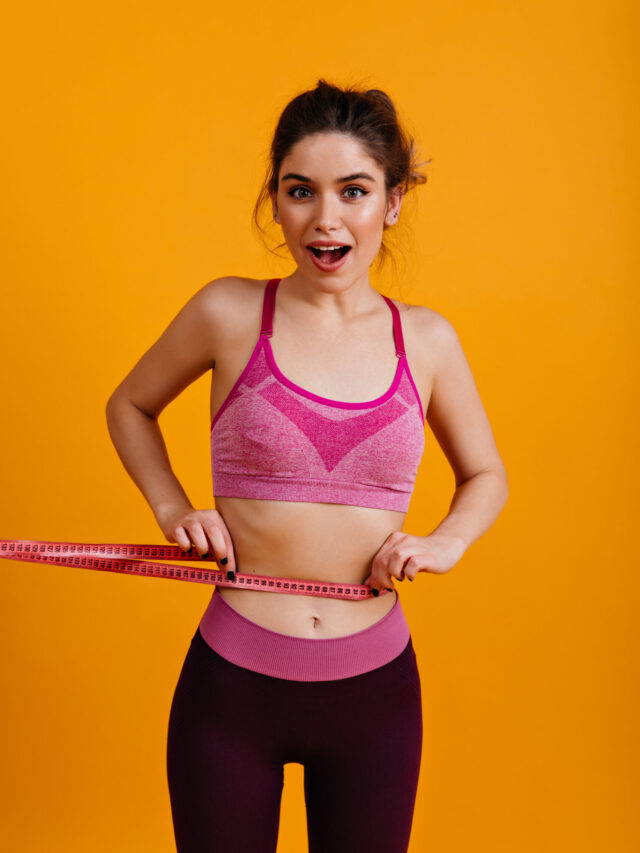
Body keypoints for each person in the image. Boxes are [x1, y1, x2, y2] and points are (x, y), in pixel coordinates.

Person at [105, 78, 509, 853]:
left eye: (353, 190)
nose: (326, 217)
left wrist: (445, 542)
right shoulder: (228, 313)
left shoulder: (425, 341)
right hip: (231, 688)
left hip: (376, 694)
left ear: (391, 203)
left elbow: (486, 474)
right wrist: (172, 510)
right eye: (301, 191)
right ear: (277, 201)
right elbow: (129, 405)